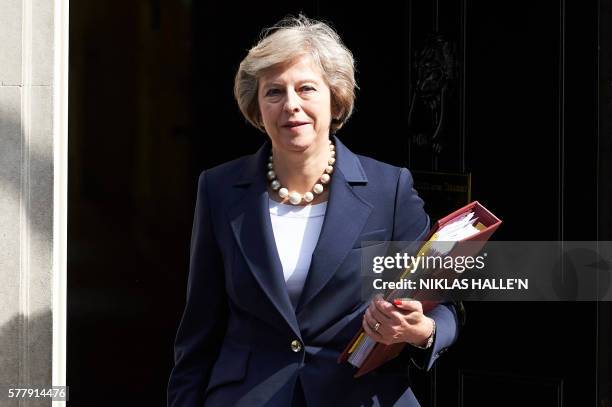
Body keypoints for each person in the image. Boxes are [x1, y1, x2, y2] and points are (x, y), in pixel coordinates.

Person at [167, 15, 460, 407]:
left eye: (306, 88)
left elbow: (446, 300)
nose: (291, 105)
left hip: (358, 396)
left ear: (334, 96)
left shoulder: (389, 189)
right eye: (274, 92)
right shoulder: (219, 190)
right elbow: (200, 329)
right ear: (256, 105)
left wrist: (421, 330)